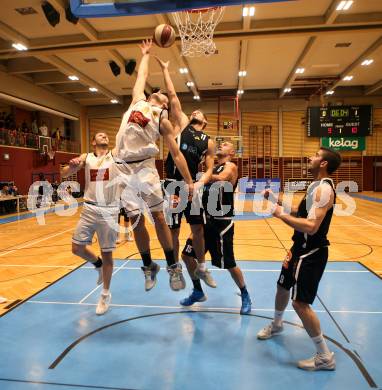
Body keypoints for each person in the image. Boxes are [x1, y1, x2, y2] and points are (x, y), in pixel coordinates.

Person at [114, 39, 193, 292]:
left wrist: (190, 181)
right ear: (151, 96)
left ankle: (173, 267)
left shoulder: (163, 120)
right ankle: (149, 266)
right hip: (122, 168)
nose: (165, 101)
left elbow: (177, 155)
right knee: (136, 221)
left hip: (145, 168)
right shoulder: (137, 100)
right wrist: (146, 54)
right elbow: (142, 75)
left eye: (168, 103)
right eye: (163, 98)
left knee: (159, 217)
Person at [257, 147, 341, 371]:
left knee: (300, 303)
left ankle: (324, 356)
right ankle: (277, 325)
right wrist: (276, 200)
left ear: (323, 163)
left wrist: (279, 215)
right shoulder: (315, 186)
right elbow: (300, 212)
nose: (309, 158)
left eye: (315, 155)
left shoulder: (324, 190)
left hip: (311, 252)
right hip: (298, 248)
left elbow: (312, 227)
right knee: (282, 287)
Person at [155, 56, 216, 289]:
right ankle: (175, 268)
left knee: (198, 229)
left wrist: (200, 184)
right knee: (174, 228)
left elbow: (209, 169)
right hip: (173, 184)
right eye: (195, 111)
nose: (196, 111)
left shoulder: (209, 141)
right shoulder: (181, 123)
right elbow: (172, 96)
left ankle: (201, 267)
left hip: (193, 187)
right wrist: (165, 68)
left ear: (205, 122)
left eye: (201, 112)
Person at [180, 142, 252, 313]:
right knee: (187, 256)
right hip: (205, 221)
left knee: (229, 263)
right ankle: (197, 290)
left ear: (232, 152)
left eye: (226, 144)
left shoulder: (230, 166)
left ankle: (245, 293)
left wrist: (198, 176)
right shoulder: (210, 168)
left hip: (222, 222)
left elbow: (221, 178)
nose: (222, 144)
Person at [61, 132, 120, 315]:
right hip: (89, 209)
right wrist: (70, 167)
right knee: (77, 248)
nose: (104, 136)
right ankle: (98, 265)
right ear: (93, 141)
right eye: (99, 135)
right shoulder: (86, 158)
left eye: (106, 135)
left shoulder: (115, 154)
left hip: (109, 210)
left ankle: (105, 294)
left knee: (107, 253)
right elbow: (64, 174)